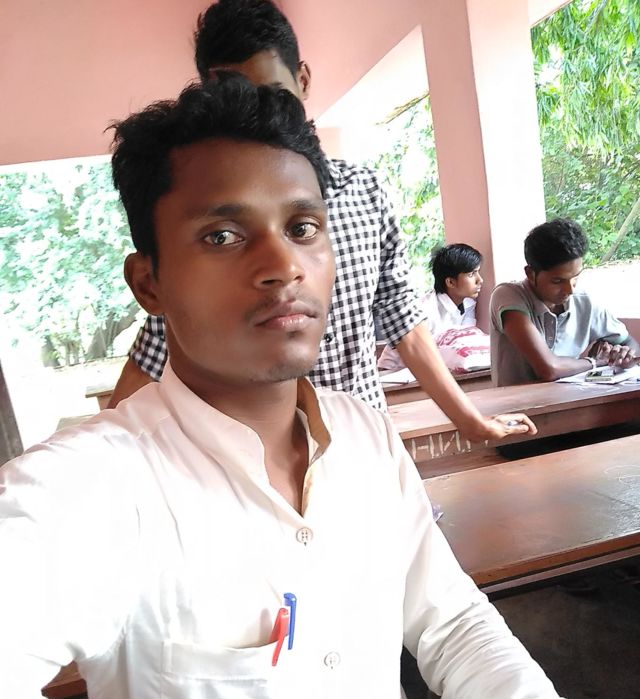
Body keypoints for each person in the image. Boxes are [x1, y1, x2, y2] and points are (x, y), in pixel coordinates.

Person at [1, 79, 639, 699]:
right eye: (222, 235)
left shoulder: (364, 437)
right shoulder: (92, 491)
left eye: (303, 226)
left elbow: (452, 625)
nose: (282, 263)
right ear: (149, 284)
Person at [108, 0, 535, 443]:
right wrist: (105, 446)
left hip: (362, 439)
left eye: (273, 94)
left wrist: (470, 420)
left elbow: (402, 319)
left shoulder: (365, 192)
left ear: (303, 80)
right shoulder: (201, 246)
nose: (260, 117)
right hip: (247, 453)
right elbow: (152, 353)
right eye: (237, 97)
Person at [490, 218, 637, 386]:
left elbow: (629, 342)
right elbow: (548, 369)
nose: (570, 290)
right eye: (557, 281)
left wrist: (623, 355)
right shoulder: (508, 296)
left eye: (575, 277)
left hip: (574, 399)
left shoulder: (584, 302)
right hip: (518, 402)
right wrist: (596, 362)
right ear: (530, 274)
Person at [378, 243, 484, 371]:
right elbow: (391, 361)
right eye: (471, 274)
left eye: (478, 272)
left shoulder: (468, 304)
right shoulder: (424, 310)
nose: (480, 280)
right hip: (398, 374)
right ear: (450, 282)